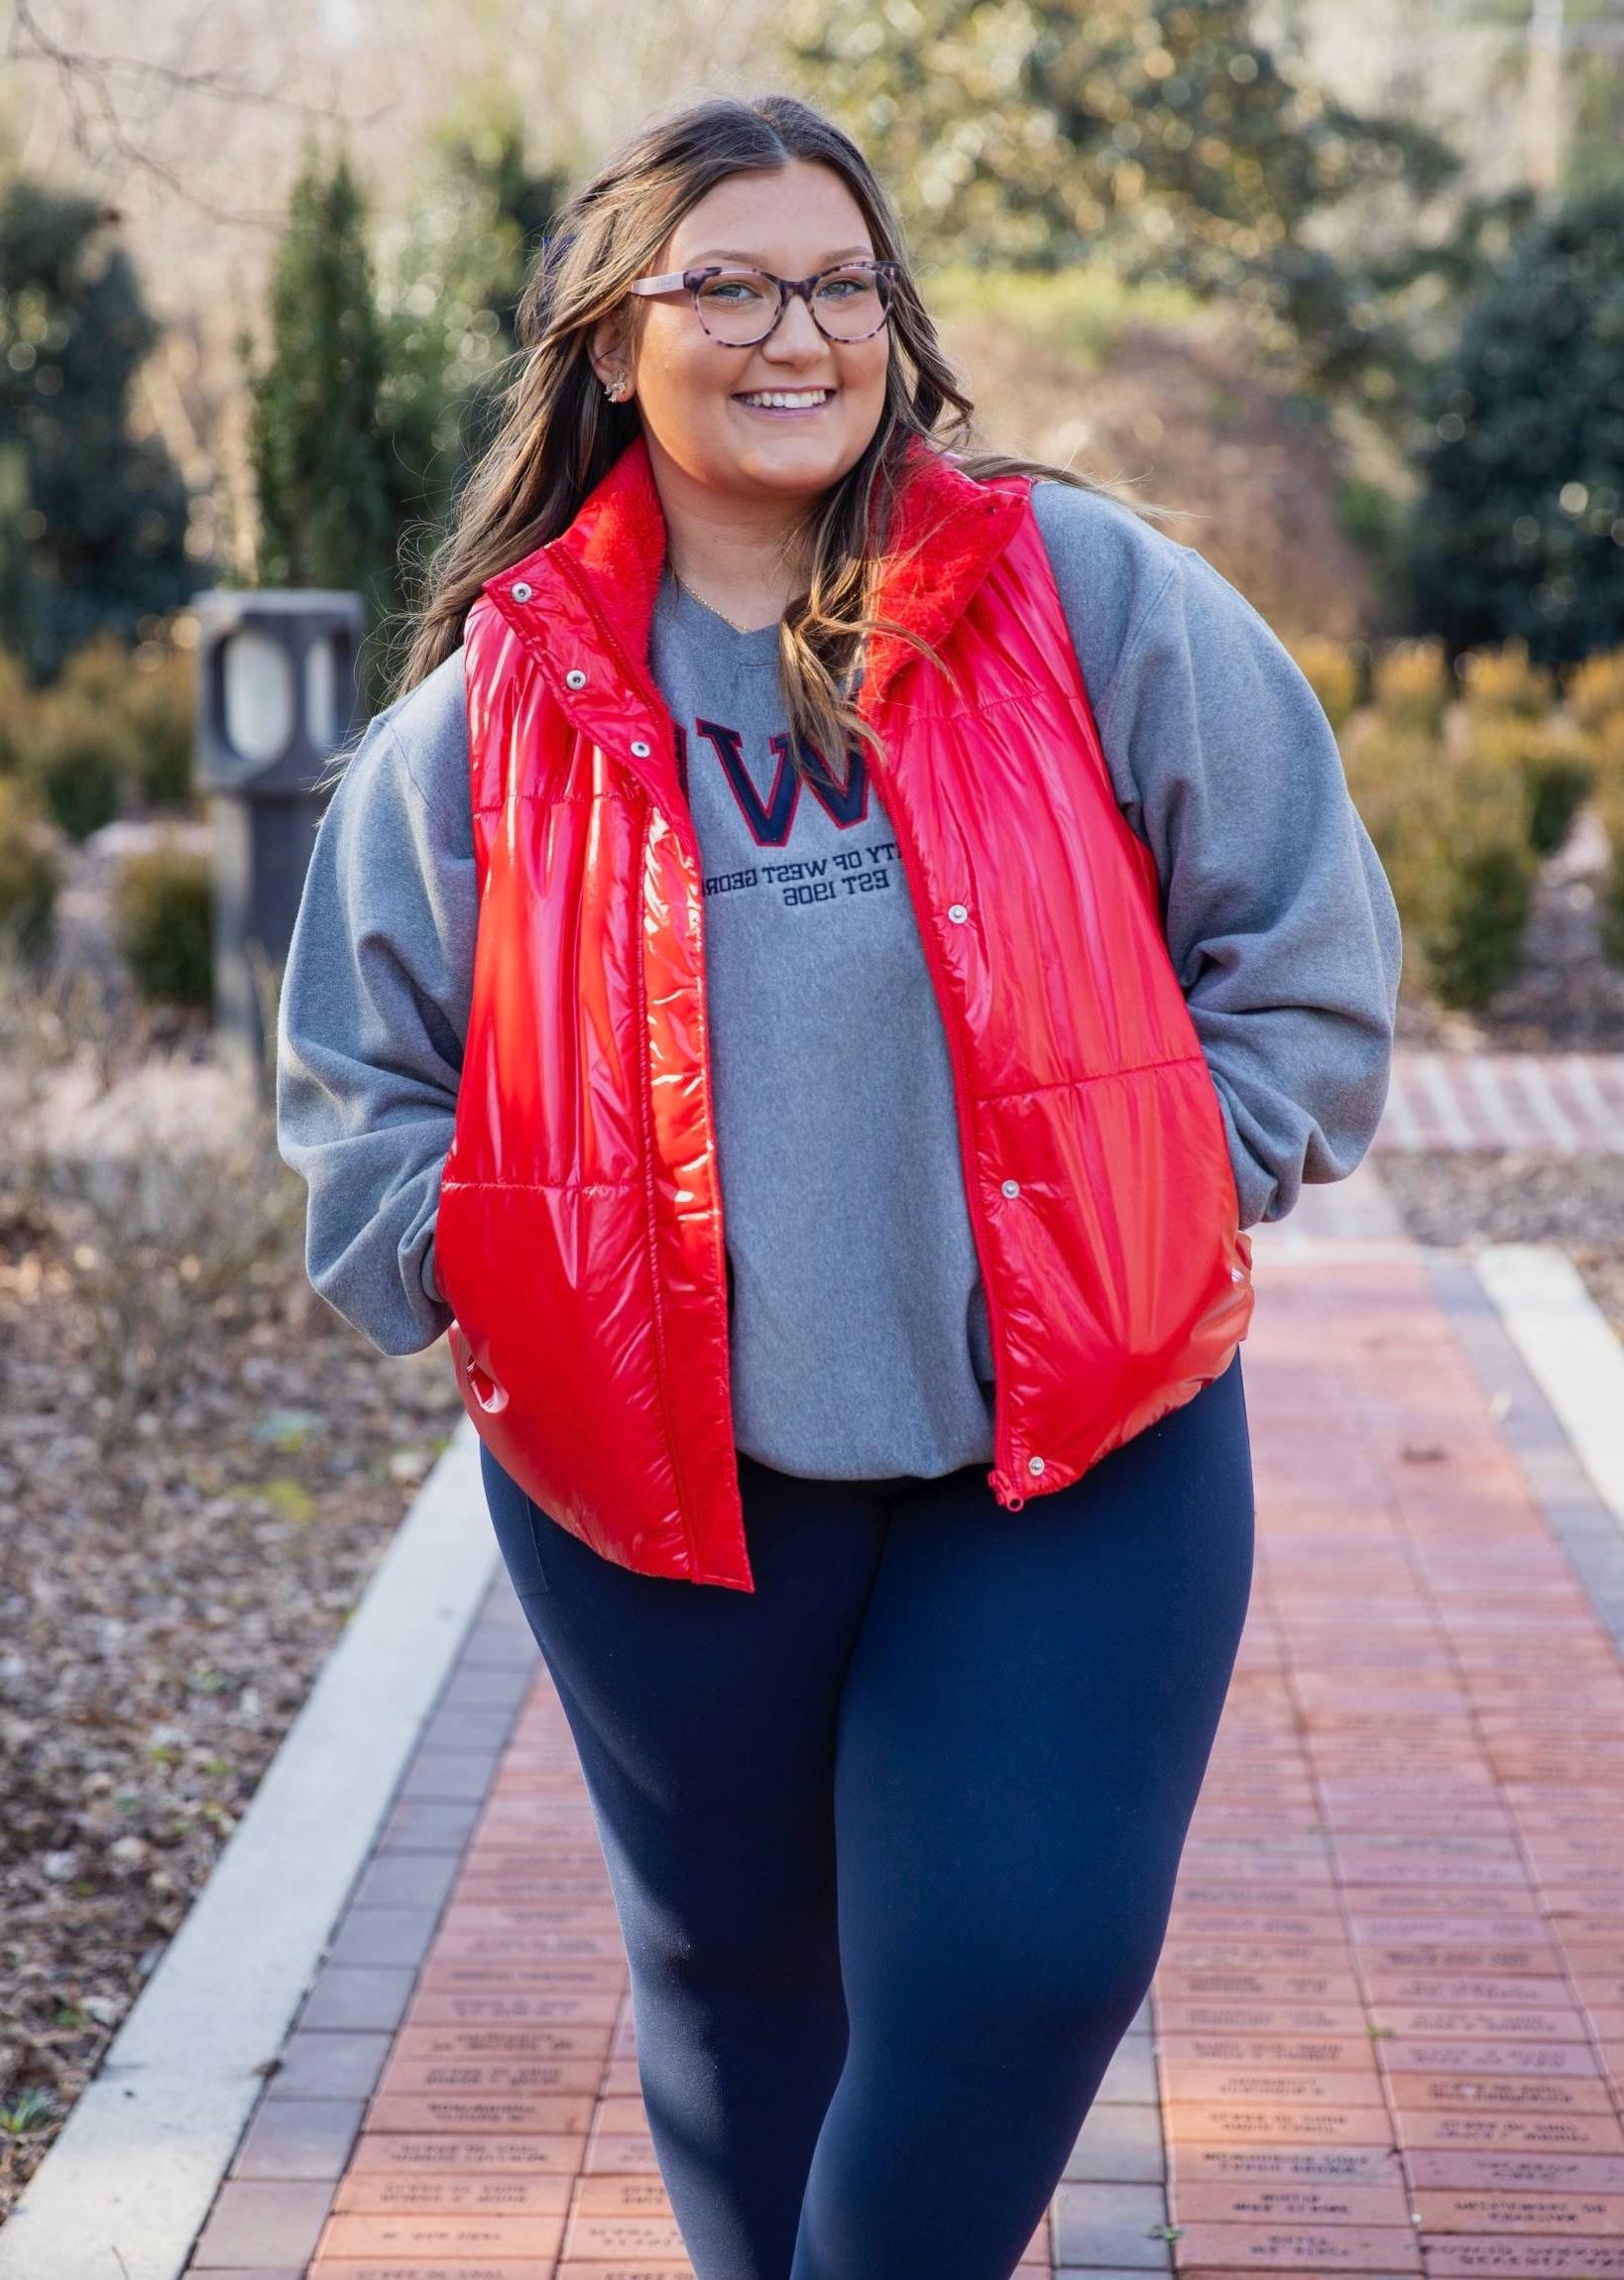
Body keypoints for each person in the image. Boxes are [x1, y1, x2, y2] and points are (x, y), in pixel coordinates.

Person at [277, 89, 1402, 2280]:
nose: (796, 331)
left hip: (1078, 1444)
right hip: (669, 1485)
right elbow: (358, 1081)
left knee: (1021, 1967)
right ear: (614, 340)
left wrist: (1184, 1172)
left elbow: (1301, 935)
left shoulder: (1074, 593)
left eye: (840, 282)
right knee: (744, 1986)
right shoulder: (506, 697)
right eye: (728, 283)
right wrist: (506, 1271)